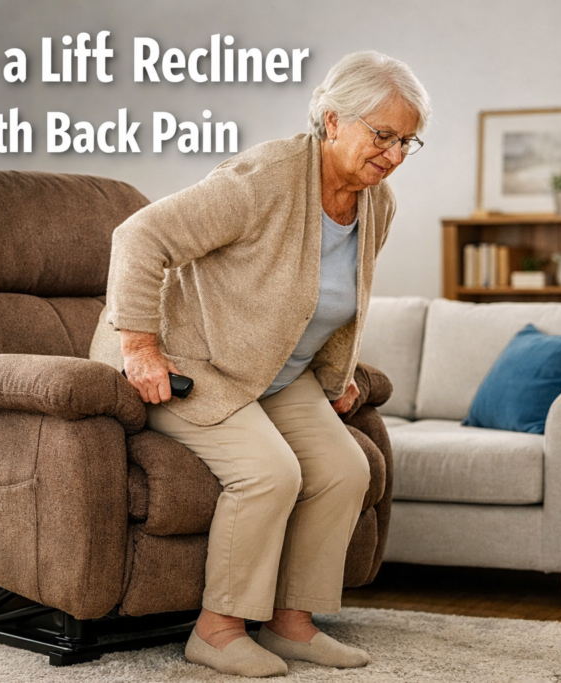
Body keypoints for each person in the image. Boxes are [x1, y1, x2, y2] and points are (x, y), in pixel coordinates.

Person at [96, 50, 430, 677]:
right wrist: (139, 348)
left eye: (407, 142)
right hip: (193, 359)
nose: (392, 154)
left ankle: (292, 624)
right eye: (382, 134)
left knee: (344, 468)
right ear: (332, 121)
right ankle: (217, 632)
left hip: (272, 370)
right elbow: (139, 236)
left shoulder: (375, 203)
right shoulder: (265, 179)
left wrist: (340, 374)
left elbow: (334, 301)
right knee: (270, 473)